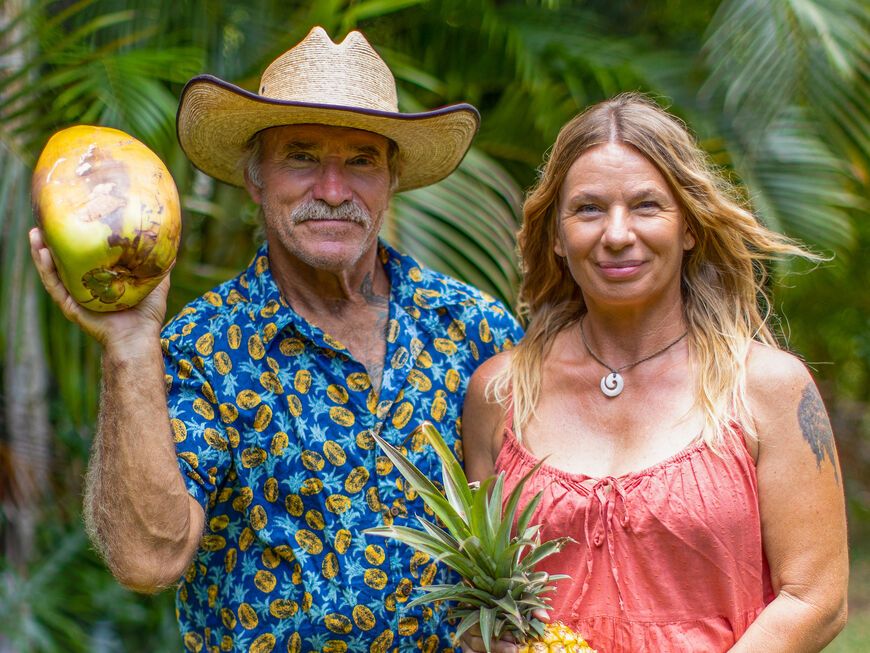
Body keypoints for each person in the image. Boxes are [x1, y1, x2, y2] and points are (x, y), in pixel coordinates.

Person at [29, 26, 523, 653]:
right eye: (302, 157)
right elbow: (148, 560)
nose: (334, 191)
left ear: (393, 177)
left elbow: (544, 534)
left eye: (361, 161)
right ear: (255, 177)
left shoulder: (476, 329)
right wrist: (128, 345)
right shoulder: (203, 348)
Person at [460, 93, 848, 653]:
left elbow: (816, 599)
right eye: (588, 209)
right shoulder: (499, 392)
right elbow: (483, 595)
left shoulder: (768, 387)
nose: (617, 234)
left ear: (689, 227)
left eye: (646, 206)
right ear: (556, 236)